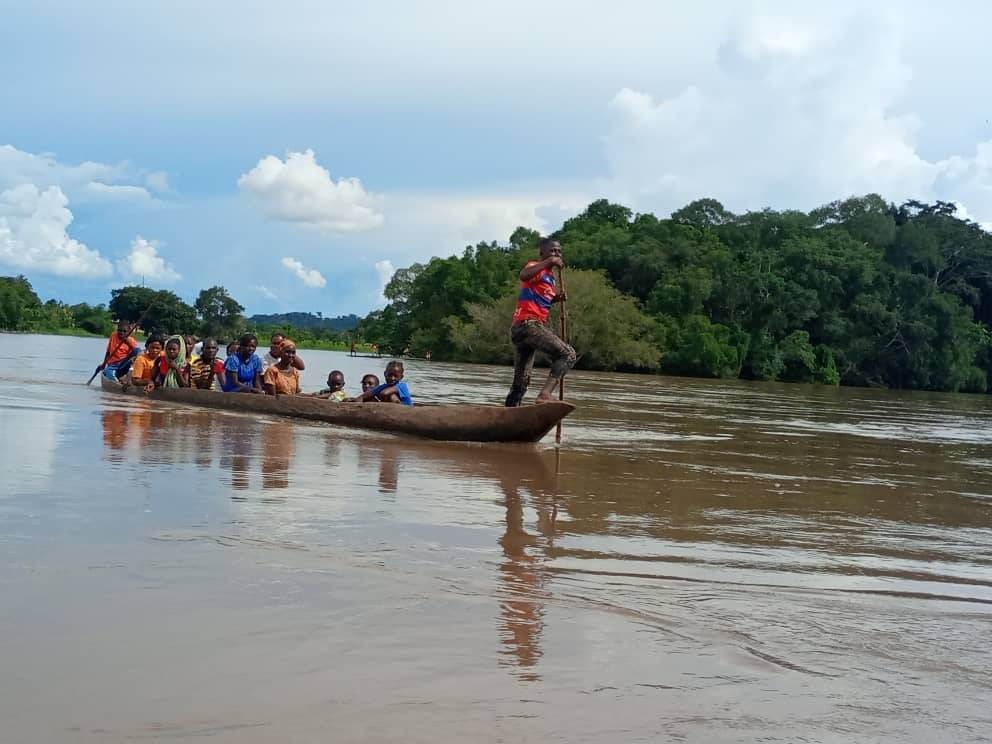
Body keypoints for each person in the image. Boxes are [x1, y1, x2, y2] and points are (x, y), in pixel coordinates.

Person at [504, 237, 576, 407]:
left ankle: (509, 413)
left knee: (521, 382)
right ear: (542, 253)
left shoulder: (550, 279)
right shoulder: (535, 267)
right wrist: (550, 261)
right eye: (552, 251)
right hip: (528, 324)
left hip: (523, 329)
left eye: (559, 251)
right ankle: (545, 394)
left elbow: (541, 298)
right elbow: (524, 275)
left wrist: (556, 298)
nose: (556, 254)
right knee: (568, 355)